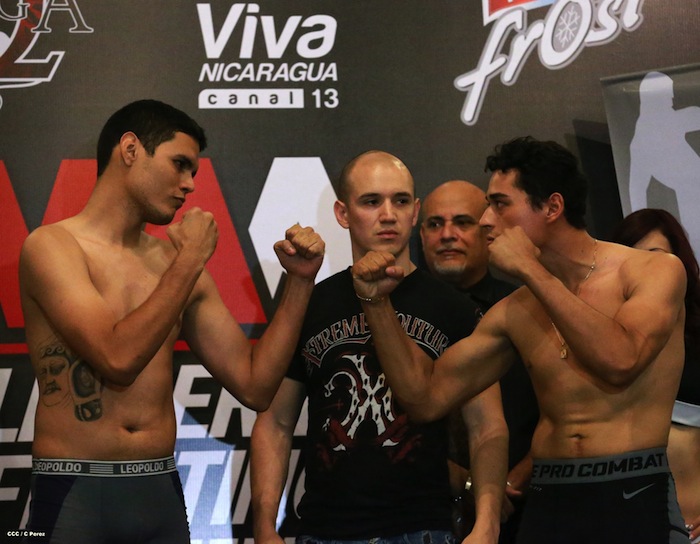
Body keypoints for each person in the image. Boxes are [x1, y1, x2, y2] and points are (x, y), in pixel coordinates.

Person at [351, 137, 689, 544]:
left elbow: (621, 361)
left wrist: (531, 269)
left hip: (635, 493)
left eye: (500, 204)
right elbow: (426, 397)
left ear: (552, 207)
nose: (486, 221)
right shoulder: (516, 310)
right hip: (550, 501)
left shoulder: (653, 271)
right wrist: (377, 303)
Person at [19, 99, 325, 543]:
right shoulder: (52, 247)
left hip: (158, 489)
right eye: (179, 164)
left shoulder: (173, 262)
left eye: (193, 172)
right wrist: (190, 260)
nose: (189, 185)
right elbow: (117, 359)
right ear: (130, 149)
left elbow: (255, 386)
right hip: (73, 490)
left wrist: (299, 282)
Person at [250, 150, 508, 544]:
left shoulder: (453, 308)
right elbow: (275, 422)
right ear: (342, 213)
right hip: (324, 529)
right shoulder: (310, 303)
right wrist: (265, 523)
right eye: (371, 201)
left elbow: (487, 426)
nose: (388, 214)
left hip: (421, 527)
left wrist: (487, 524)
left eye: (400, 201)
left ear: (415, 211)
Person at [420, 180, 539, 543]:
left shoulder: (526, 308)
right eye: (435, 224)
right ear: (420, 235)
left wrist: (513, 480)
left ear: (487, 229)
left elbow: (566, 404)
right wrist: (468, 481)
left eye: (462, 222)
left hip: (524, 509)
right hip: (418, 508)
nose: (447, 235)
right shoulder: (395, 314)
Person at [610, 208, 700, 543]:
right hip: (622, 523)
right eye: (630, 258)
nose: (644, 270)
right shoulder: (597, 340)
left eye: (656, 257)